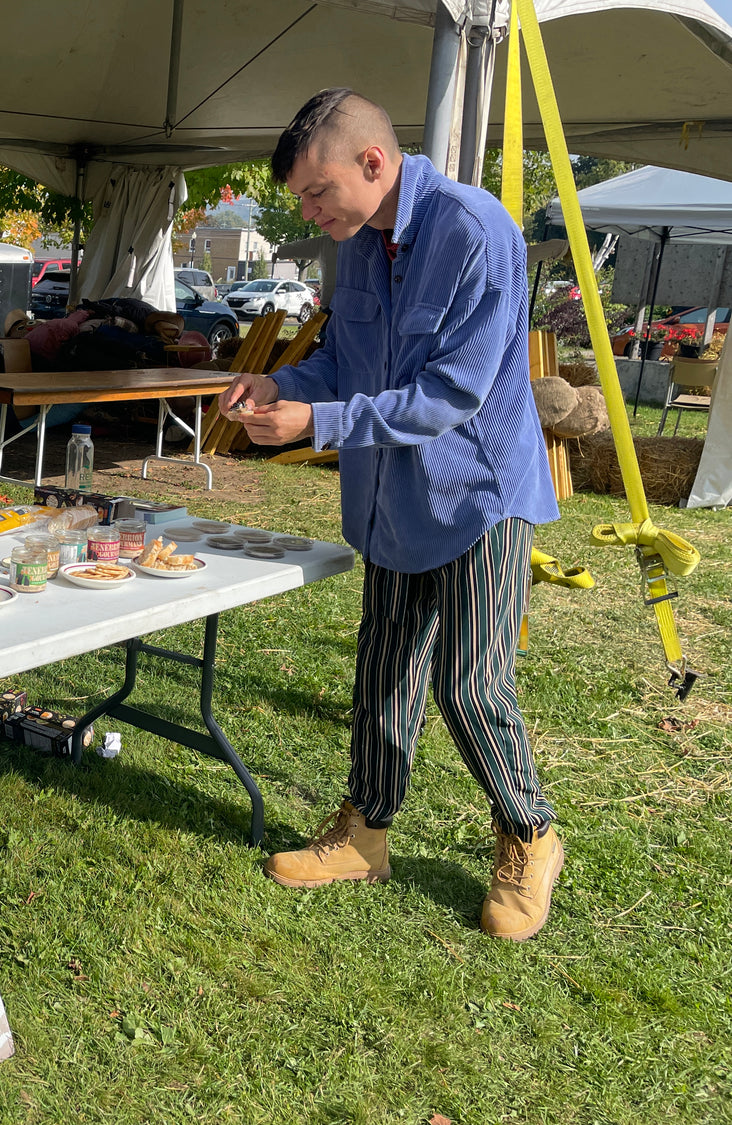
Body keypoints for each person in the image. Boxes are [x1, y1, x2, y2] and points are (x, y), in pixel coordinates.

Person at [220, 89, 562, 941]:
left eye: (316, 192)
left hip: (476, 495)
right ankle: (365, 832)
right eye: (301, 197)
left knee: (468, 683)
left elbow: (451, 395)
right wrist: (280, 384)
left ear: (374, 163)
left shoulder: (476, 232)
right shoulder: (356, 241)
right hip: (389, 501)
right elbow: (344, 357)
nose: (308, 211)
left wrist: (319, 425)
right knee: (383, 669)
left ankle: (530, 832)